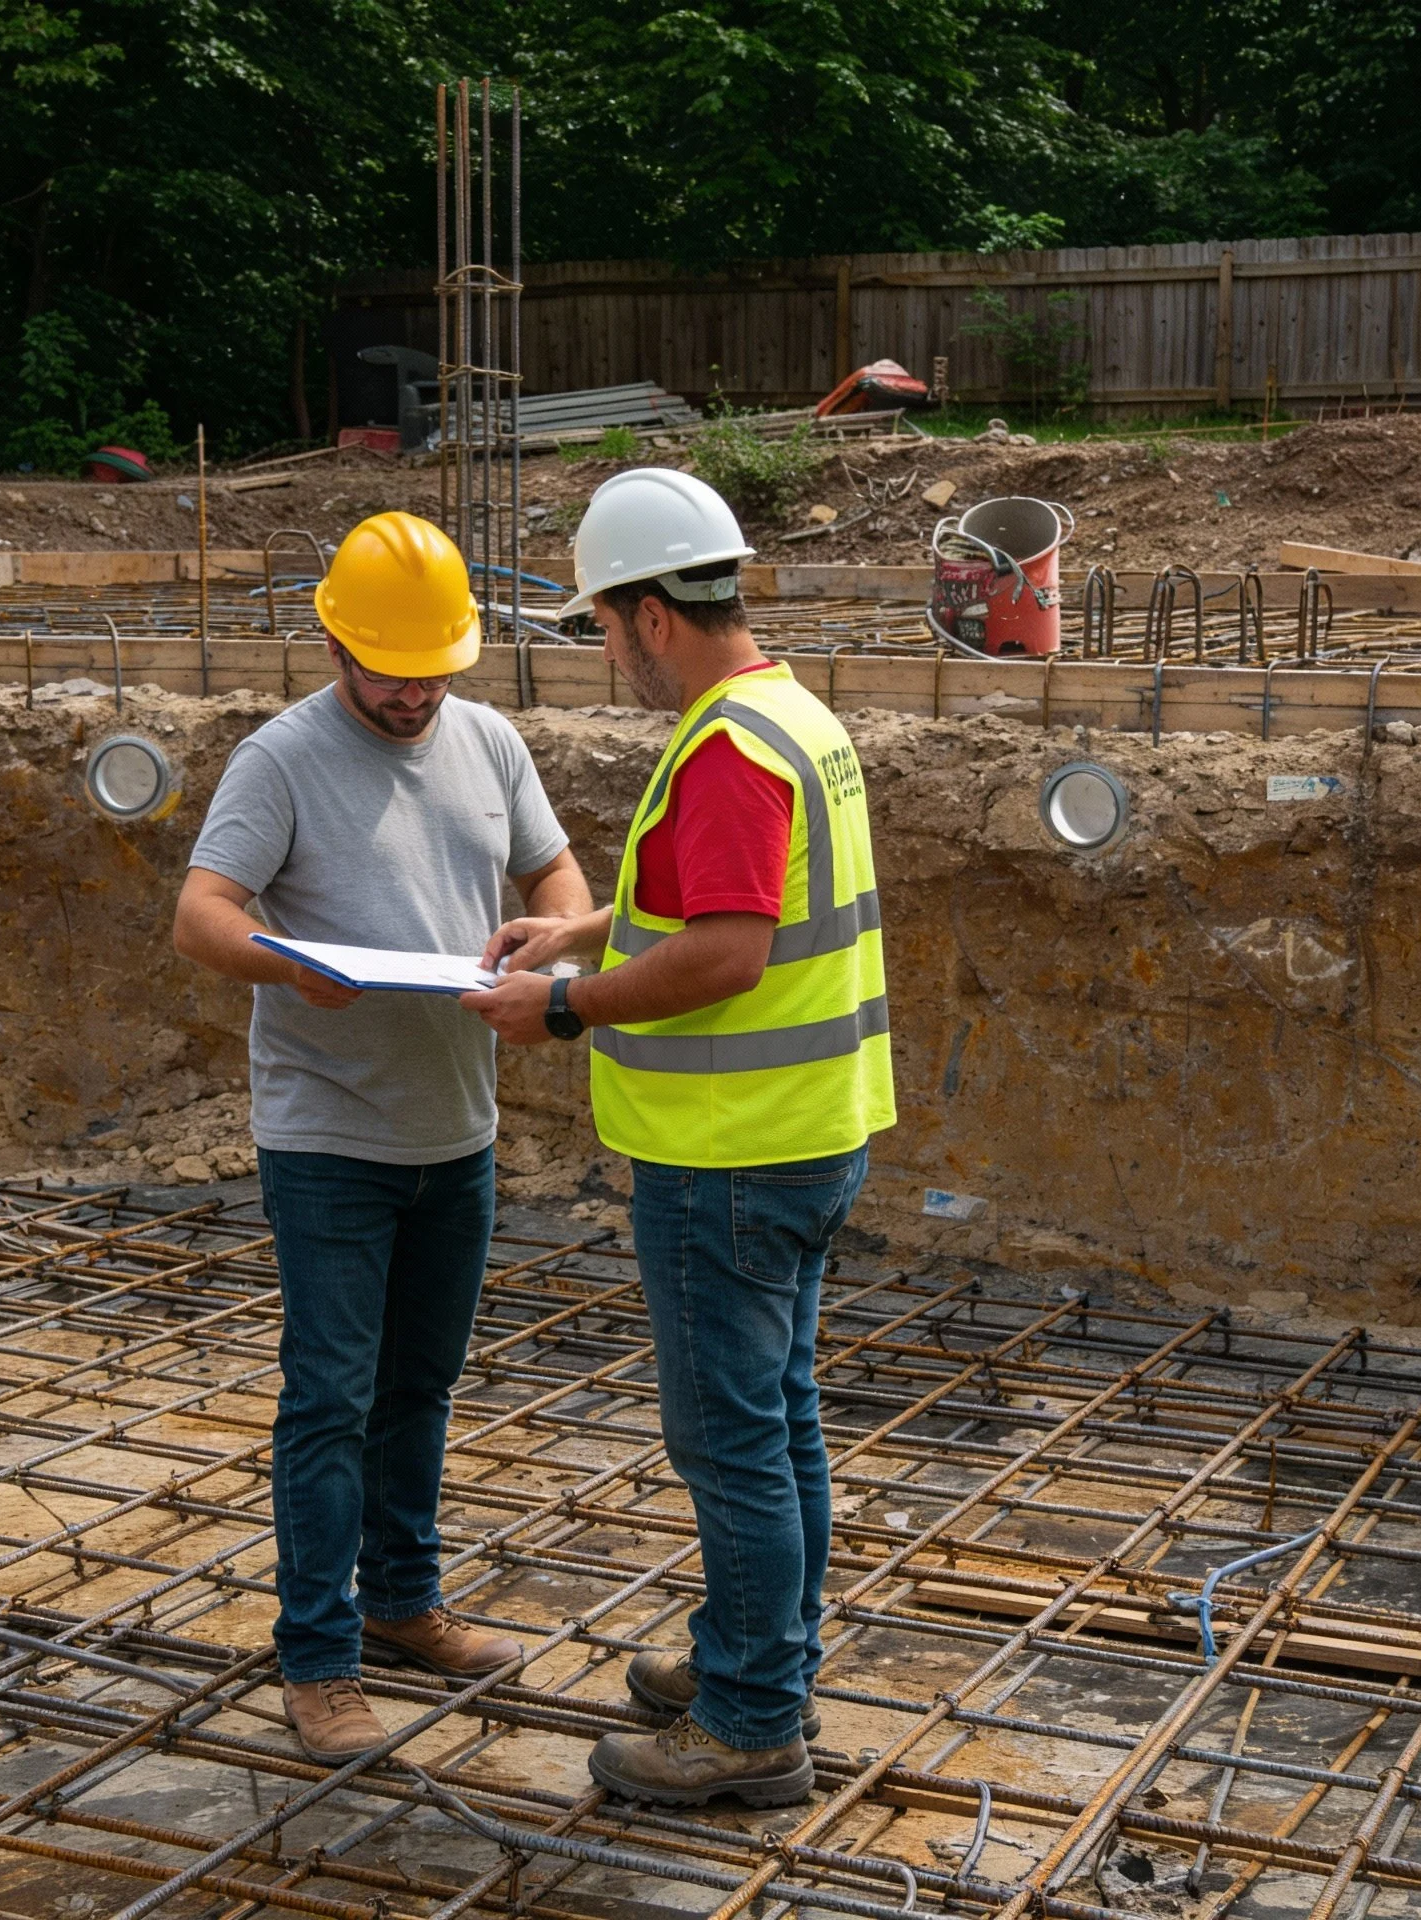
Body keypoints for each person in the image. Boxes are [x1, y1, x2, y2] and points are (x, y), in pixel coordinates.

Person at [462, 468, 895, 1809]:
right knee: (781, 1420)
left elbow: (727, 950)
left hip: (732, 1156)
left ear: (655, 615)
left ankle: (756, 1720)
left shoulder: (723, 748)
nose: (606, 650)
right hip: (809, 1131)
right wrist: (585, 926)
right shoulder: (789, 714)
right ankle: (751, 1657)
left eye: (602, 623)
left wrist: (564, 1007)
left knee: (731, 1443)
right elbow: (716, 893)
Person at [174, 510, 592, 1764]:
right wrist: (285, 969)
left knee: (419, 1384)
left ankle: (404, 1602)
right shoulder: (281, 760)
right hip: (328, 1139)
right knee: (330, 1398)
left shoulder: (490, 742)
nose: (416, 694)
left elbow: (557, 878)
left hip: (455, 1128)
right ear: (338, 645)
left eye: (437, 672)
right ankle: (318, 1661)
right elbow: (200, 914)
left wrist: (552, 937)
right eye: (393, 672)